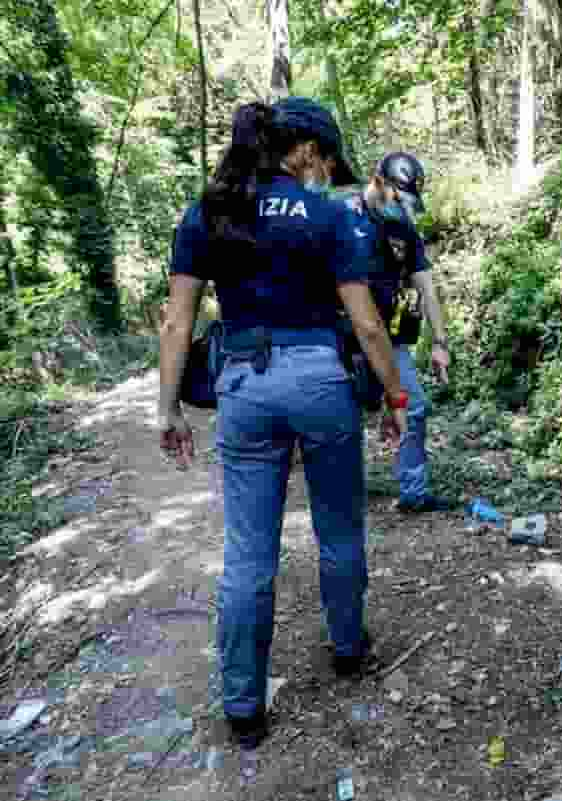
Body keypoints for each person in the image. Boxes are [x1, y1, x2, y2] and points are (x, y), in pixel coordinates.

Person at [157, 97, 412, 750]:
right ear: (301, 151)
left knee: (247, 552)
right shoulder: (329, 217)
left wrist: (168, 410)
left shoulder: (210, 211)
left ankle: (244, 706)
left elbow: (178, 323)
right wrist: (394, 397)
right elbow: (366, 324)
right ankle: (349, 648)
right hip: (321, 380)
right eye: (325, 158)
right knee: (338, 525)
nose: (327, 170)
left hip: (243, 385)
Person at [342, 151, 453, 512]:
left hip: (389, 341)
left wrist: (440, 342)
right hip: (340, 339)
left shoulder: (403, 229)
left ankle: (414, 493)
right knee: (342, 418)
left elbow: (427, 287)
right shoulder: (342, 216)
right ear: (379, 182)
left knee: (414, 408)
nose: (400, 206)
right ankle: (345, 495)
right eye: (397, 197)